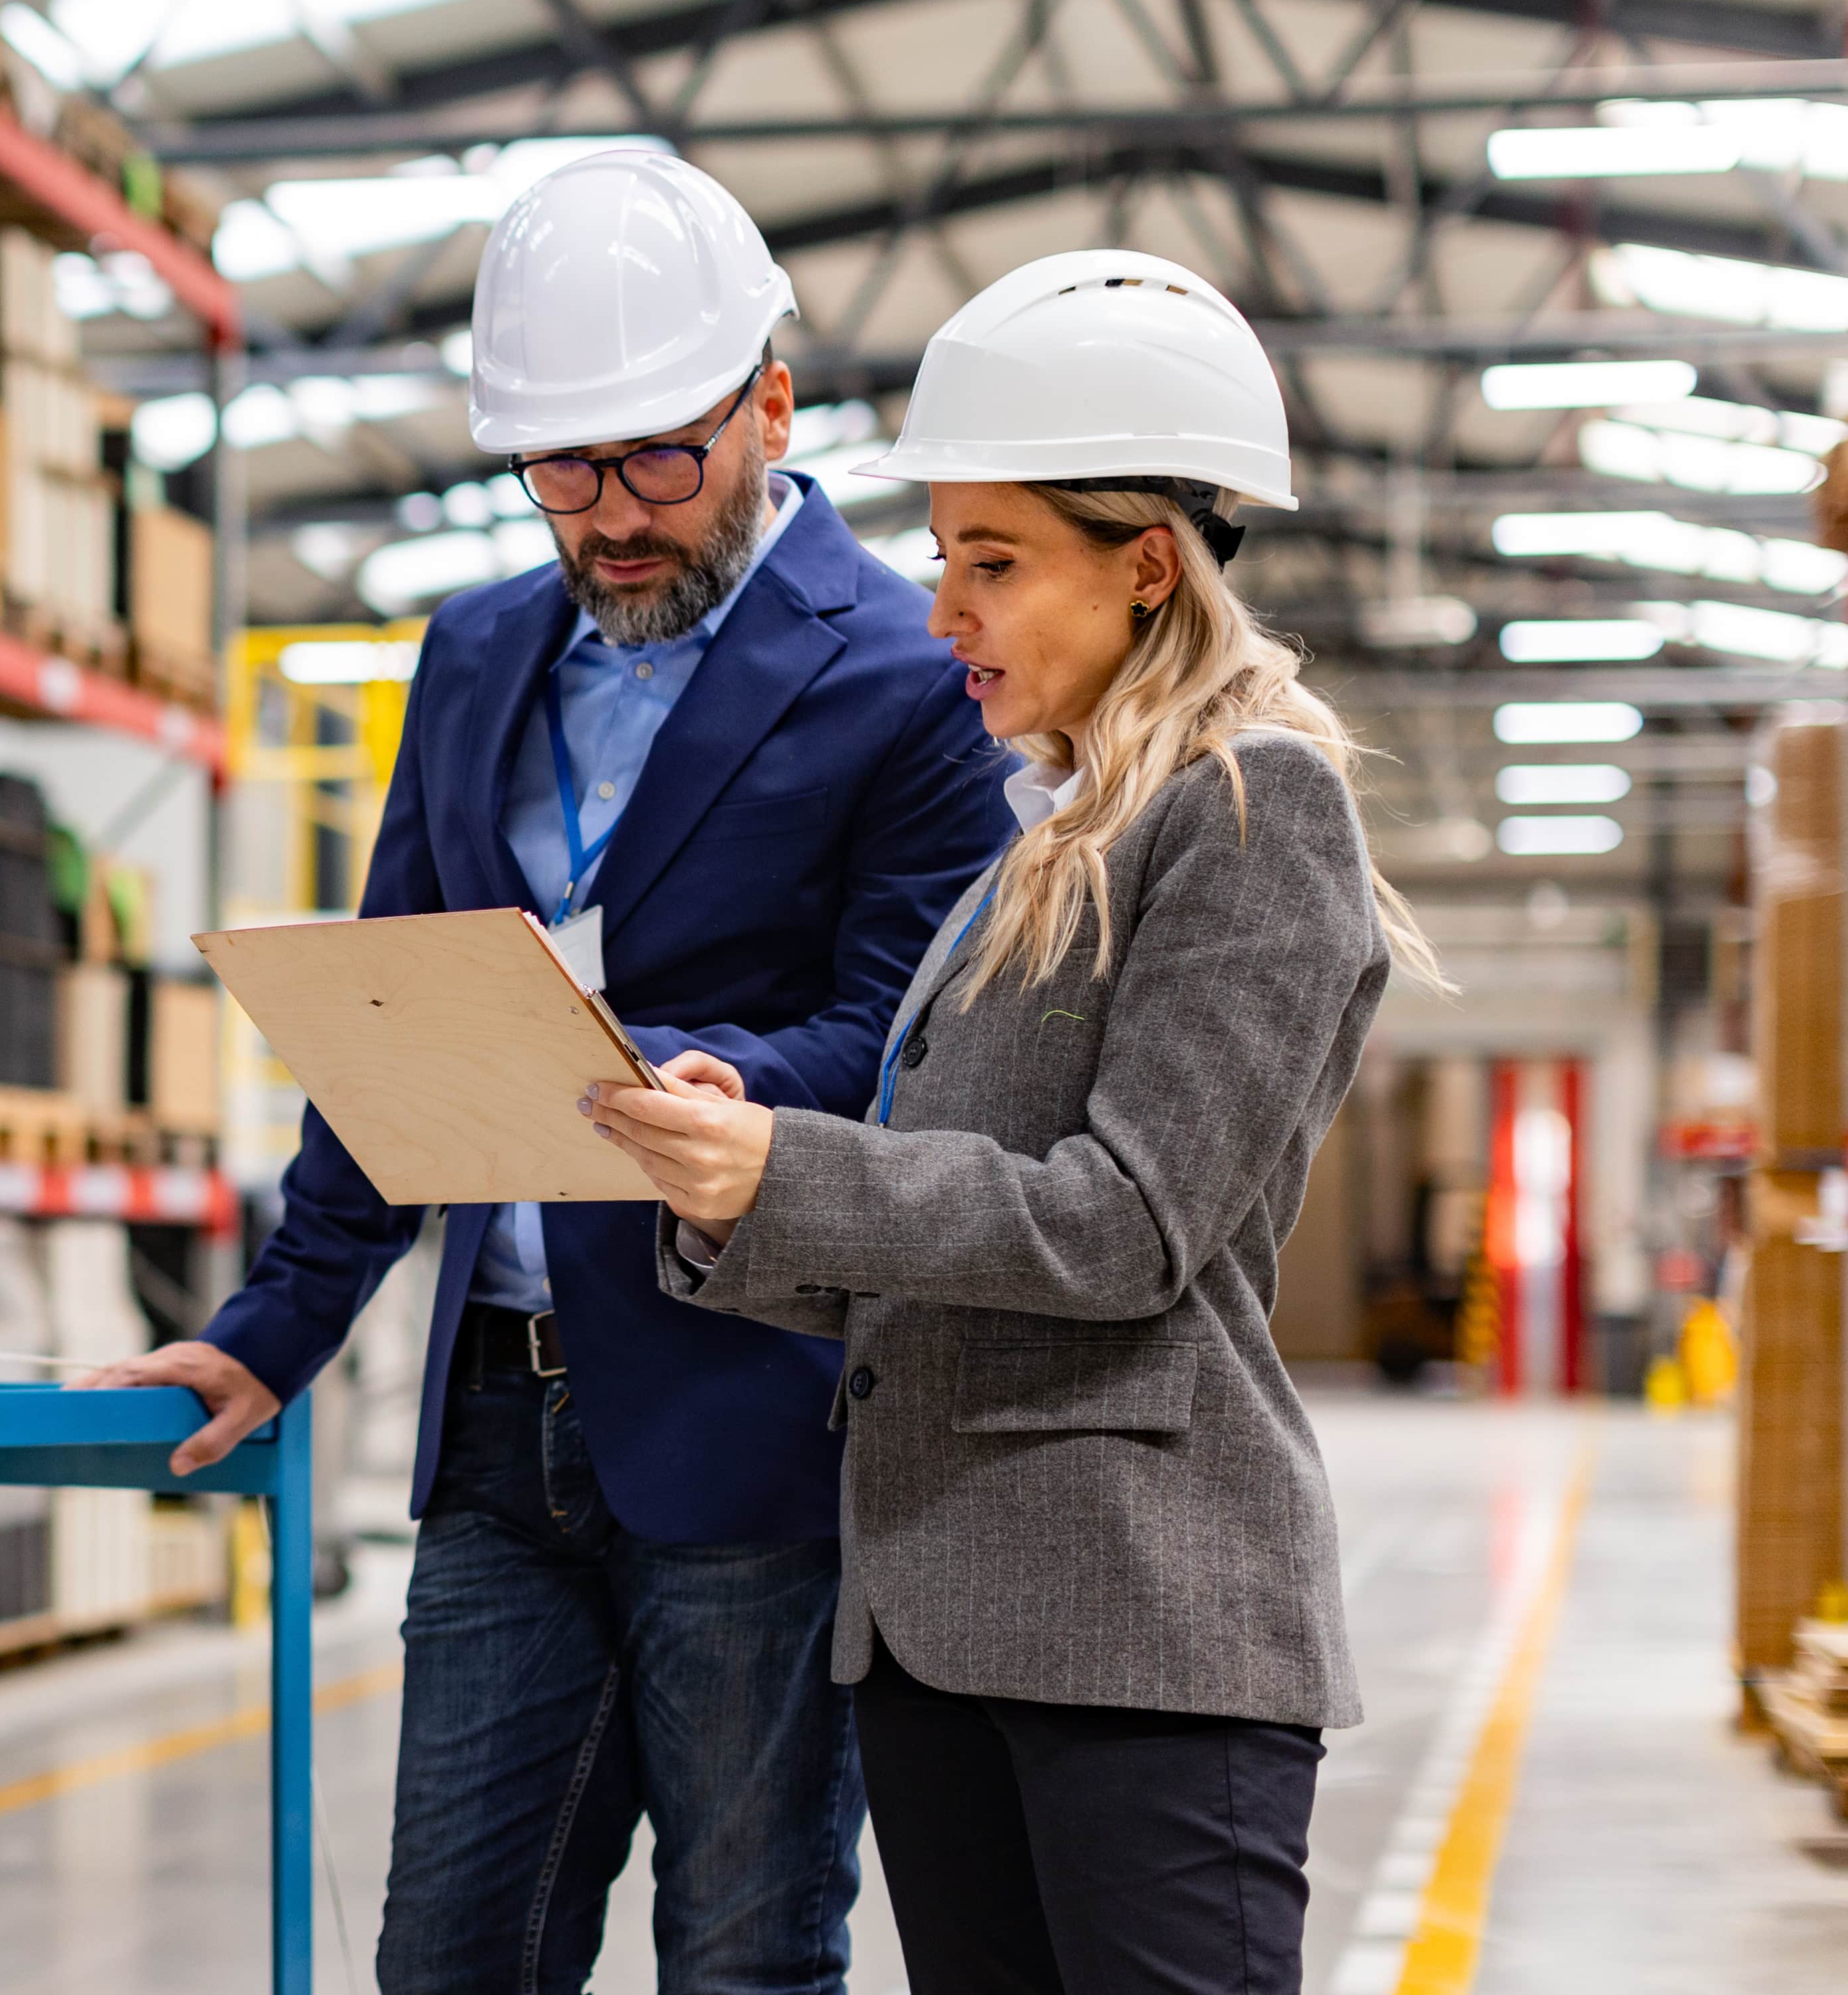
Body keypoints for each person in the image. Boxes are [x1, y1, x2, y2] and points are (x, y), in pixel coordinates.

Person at [86, 150, 1019, 1995]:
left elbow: (914, 1033)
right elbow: (391, 1030)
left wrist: (717, 1082)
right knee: (450, 1955)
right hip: (502, 1434)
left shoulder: (909, 678)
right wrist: (276, 1330)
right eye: (561, 472)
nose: (608, 520)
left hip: (751, 1419)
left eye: (656, 461)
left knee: (742, 1958)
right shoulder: (477, 652)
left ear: (769, 399)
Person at [589, 249, 1444, 1995]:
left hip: (1142, 1628)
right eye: (944, 555)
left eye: (994, 561)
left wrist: (798, 1174)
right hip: (942, 1618)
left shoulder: (1251, 811)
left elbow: (1125, 1226)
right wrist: (730, 1186)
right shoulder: (1046, 841)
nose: (942, 610)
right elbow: (937, 1242)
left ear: (1146, 566)